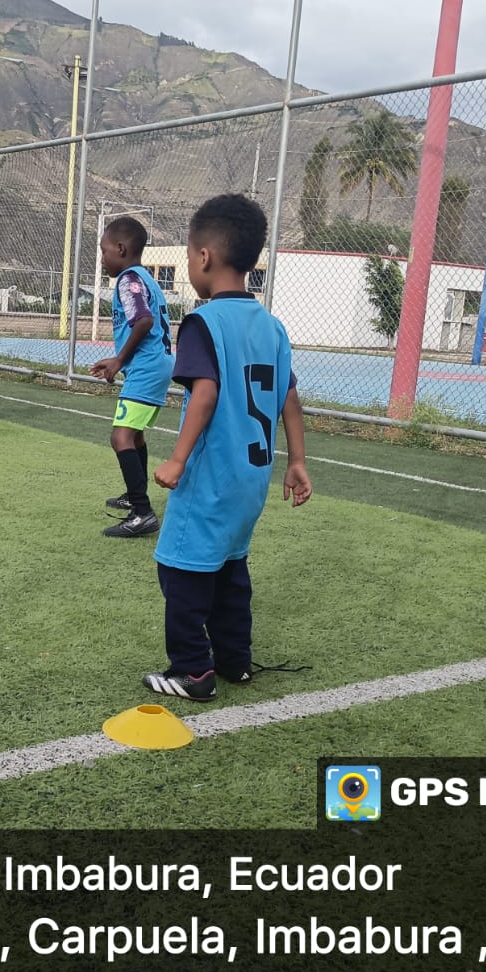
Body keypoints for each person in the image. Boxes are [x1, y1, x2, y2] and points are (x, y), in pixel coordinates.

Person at [144, 193, 311, 702]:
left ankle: (193, 670)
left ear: (203, 257)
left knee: (180, 566)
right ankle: (235, 661)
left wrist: (177, 458)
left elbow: (206, 393)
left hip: (212, 476)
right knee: (230, 565)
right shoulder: (272, 326)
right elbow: (289, 396)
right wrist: (297, 462)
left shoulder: (204, 322)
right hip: (253, 478)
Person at [88, 216, 173, 538]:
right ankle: (134, 495)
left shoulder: (128, 280)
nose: (102, 258)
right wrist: (119, 363)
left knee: (120, 437)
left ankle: (142, 512)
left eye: (104, 250)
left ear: (121, 249)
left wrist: (119, 360)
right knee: (134, 436)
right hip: (156, 364)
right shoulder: (145, 278)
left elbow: (144, 321)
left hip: (147, 367)